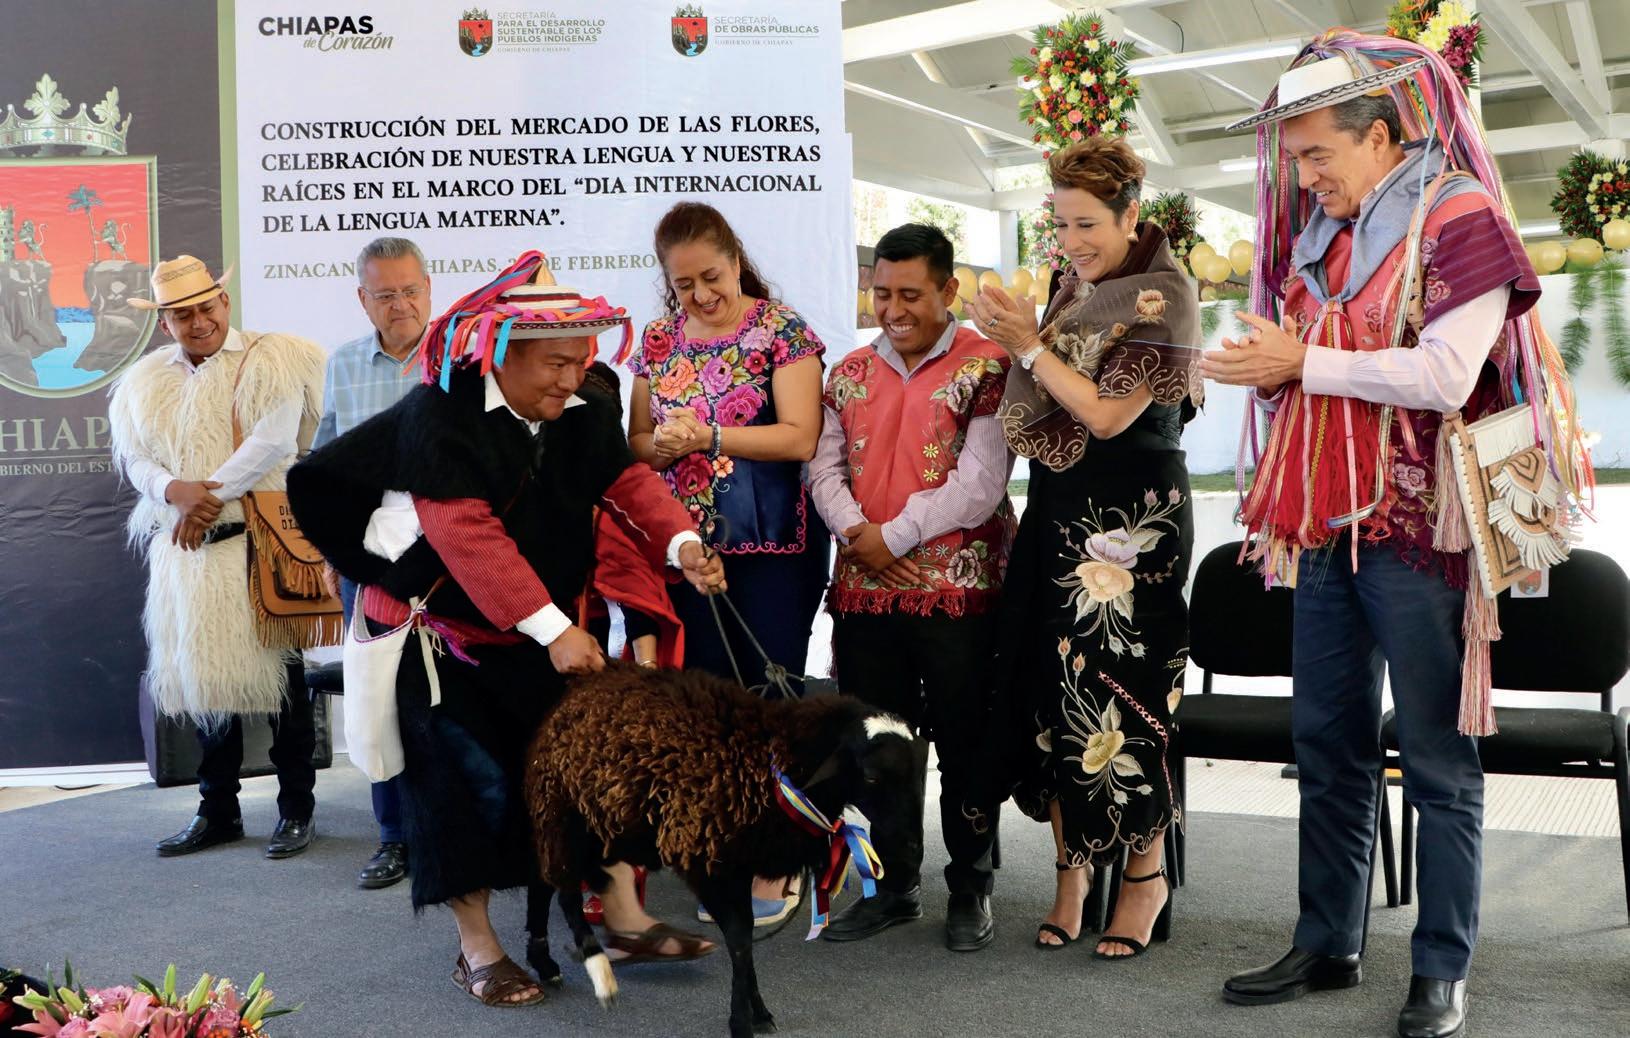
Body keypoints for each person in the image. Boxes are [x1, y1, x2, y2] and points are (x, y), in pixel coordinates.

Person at [1200, 34, 1576, 1038]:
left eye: (1318, 155)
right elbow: (1301, 359)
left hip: (1422, 531)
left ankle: (1441, 967)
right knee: (1325, 743)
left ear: (1380, 136)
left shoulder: (1459, 216)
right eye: (1294, 159)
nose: (1303, 178)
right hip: (1327, 523)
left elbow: (1446, 378)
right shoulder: (1328, 234)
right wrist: (1256, 366)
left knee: (1438, 759)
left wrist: (1299, 363)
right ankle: (1327, 941)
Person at [289, 254, 726, 1009]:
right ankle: (478, 950)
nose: (572, 378)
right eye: (556, 363)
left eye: (582, 360)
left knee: (583, 768)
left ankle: (622, 920)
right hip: (438, 639)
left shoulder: (582, 410)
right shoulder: (439, 415)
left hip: (530, 632)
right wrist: (555, 629)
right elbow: (467, 535)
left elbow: (627, 482)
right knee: (464, 787)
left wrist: (682, 543)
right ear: (502, 354)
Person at [970, 136, 1201, 960]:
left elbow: (1104, 415)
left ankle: (1144, 875)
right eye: (1061, 225)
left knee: (1124, 691)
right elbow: (1047, 396)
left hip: (1133, 519)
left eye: (1087, 225)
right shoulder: (1078, 287)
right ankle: (1071, 873)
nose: (1071, 242)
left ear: (1131, 215)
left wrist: (1027, 345)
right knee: (1049, 688)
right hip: (1059, 507)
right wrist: (1018, 344)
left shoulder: (1165, 294)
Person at [806, 223, 1014, 952]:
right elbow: (822, 467)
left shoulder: (988, 366)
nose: (893, 309)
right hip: (864, 591)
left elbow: (981, 485)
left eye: (911, 294)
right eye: (881, 293)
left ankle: (971, 887)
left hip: (958, 591)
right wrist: (854, 530)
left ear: (948, 289)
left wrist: (887, 538)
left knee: (964, 741)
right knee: (878, 745)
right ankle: (893, 887)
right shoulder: (848, 372)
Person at [625, 200, 830, 927]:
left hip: (774, 545)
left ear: (736, 261)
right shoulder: (656, 340)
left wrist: (707, 435)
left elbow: (801, 437)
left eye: (711, 276)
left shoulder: (782, 330)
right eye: (684, 285)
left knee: (768, 698)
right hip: (687, 550)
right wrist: (663, 445)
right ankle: (726, 849)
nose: (701, 295)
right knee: (705, 705)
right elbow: (636, 445)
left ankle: (780, 857)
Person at [109, 255, 326, 860]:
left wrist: (202, 499)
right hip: (187, 556)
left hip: (259, 546)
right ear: (165, 324)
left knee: (284, 686)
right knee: (206, 683)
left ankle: (296, 808)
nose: (199, 321)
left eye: (206, 307)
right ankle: (218, 810)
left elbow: (273, 440)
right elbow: (135, 456)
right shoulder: (145, 382)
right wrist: (171, 491)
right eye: (183, 315)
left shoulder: (272, 357)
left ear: (225, 303)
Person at [313, 236, 432, 891]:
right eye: (385, 294)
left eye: (411, 291)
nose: (401, 305)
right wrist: (332, 549)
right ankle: (392, 837)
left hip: (447, 559)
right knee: (374, 696)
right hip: (369, 561)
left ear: (429, 289)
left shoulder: (459, 361)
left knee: (448, 697)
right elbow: (322, 464)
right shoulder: (342, 365)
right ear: (363, 299)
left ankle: (448, 832)